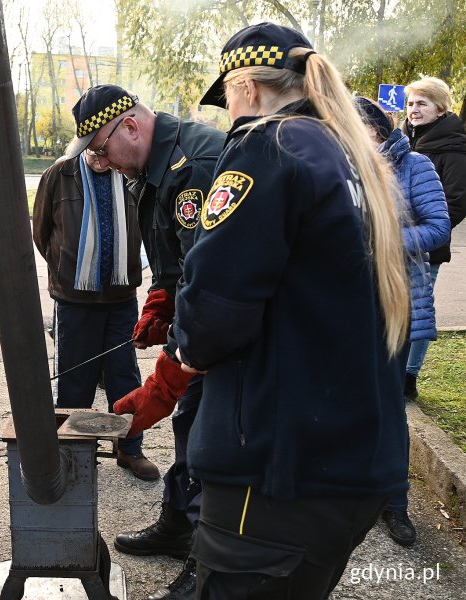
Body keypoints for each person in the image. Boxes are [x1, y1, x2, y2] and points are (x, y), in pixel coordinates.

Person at [172, 22, 410, 599]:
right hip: (348, 458)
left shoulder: (266, 146)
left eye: (226, 94)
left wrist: (183, 340)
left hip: (278, 472)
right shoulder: (343, 149)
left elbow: (212, 314)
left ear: (247, 87)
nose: (227, 110)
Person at [62, 84, 223, 595]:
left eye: (100, 148)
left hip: (226, 332)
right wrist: (159, 302)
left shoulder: (195, 166)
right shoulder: (149, 171)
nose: (99, 159)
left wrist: (169, 375)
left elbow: (215, 285)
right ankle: (178, 526)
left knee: (209, 438)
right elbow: (175, 258)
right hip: (199, 316)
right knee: (190, 427)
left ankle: (207, 564)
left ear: (129, 126)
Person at [357, 97, 450, 548]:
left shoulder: (416, 166)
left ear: (375, 130)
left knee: (390, 408)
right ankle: (354, 492)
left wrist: (384, 240)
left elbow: (439, 228)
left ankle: (395, 504)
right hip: (346, 304)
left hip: (395, 301)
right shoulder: (344, 167)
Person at [32, 148, 151, 478]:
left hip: (121, 297)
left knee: (125, 375)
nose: (101, 158)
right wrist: (69, 269)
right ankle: (74, 452)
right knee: (75, 380)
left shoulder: (130, 168)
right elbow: (41, 233)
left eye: (105, 150)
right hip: (74, 300)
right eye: (94, 151)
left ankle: (129, 449)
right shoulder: (59, 174)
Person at [401, 77, 466, 400]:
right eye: (411, 103)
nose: (414, 109)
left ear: (440, 109)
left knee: (420, 309)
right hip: (395, 243)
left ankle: (409, 376)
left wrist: (425, 231)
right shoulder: (404, 140)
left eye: (422, 103)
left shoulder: (453, 148)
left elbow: (456, 201)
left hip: (427, 246)